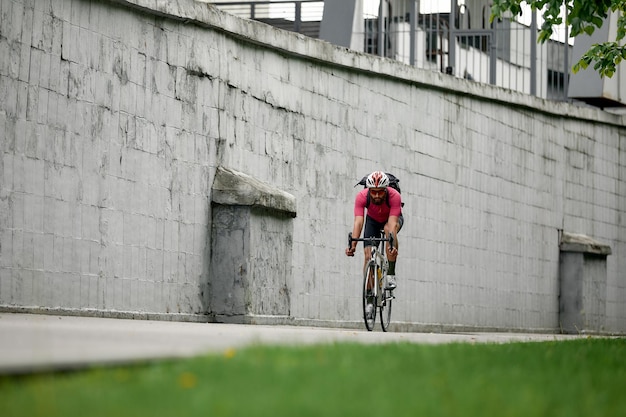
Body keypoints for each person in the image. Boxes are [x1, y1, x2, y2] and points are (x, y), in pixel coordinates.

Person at [345, 170, 403, 291]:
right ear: (369, 190)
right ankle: (370, 298)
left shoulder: (394, 196)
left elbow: (392, 224)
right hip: (373, 221)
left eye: (380, 192)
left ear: (386, 189)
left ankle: (391, 273)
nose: (377, 196)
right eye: (373, 192)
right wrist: (353, 245)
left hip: (392, 219)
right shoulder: (362, 197)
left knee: (388, 229)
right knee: (367, 256)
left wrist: (392, 246)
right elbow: (358, 222)